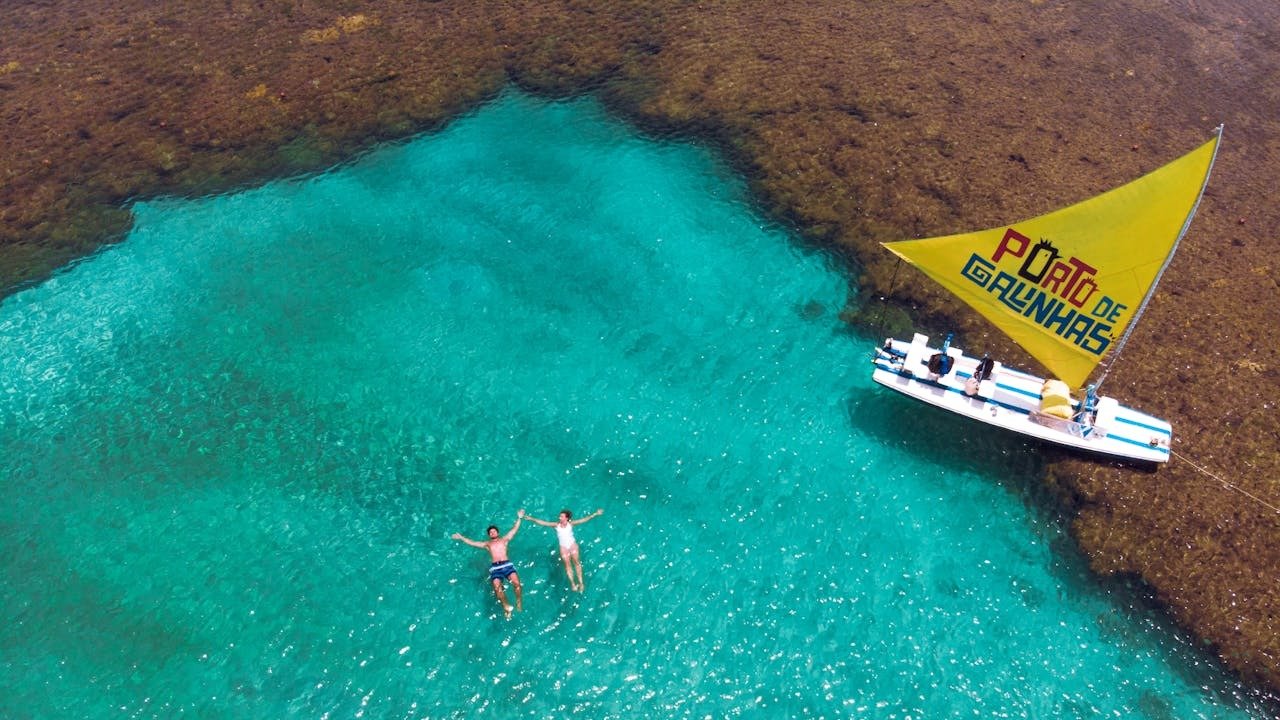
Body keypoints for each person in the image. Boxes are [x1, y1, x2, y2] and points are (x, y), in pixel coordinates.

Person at [452, 509, 525, 617]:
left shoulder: (504, 539)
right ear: (489, 535)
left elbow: (514, 529)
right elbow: (473, 543)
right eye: (490, 532)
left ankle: (518, 601)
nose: (492, 533)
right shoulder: (487, 544)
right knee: (497, 590)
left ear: (498, 533)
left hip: (507, 565)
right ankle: (506, 606)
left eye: (494, 531)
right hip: (495, 568)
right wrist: (461, 538)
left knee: (517, 585)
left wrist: (519, 518)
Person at [525, 508, 603, 592]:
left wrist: (595, 514)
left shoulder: (571, 524)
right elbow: (543, 523)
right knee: (567, 565)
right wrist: (531, 518)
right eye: (560, 516)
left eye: (561, 516)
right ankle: (573, 584)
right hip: (563, 547)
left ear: (566, 518)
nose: (559, 518)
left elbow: (583, 520)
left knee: (577, 563)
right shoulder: (556, 525)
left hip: (572, 545)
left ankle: (581, 583)